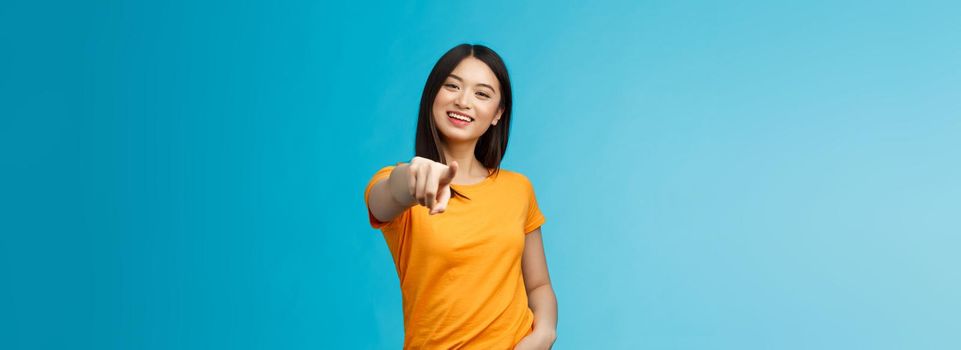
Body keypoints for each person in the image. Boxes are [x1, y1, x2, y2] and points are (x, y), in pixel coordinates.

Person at [364, 43, 558, 349]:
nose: (463, 101)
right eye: (452, 86)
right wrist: (413, 177)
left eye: (482, 94)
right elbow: (385, 197)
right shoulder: (399, 183)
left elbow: (539, 285)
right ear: (432, 96)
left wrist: (545, 332)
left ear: (497, 113)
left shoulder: (519, 188)